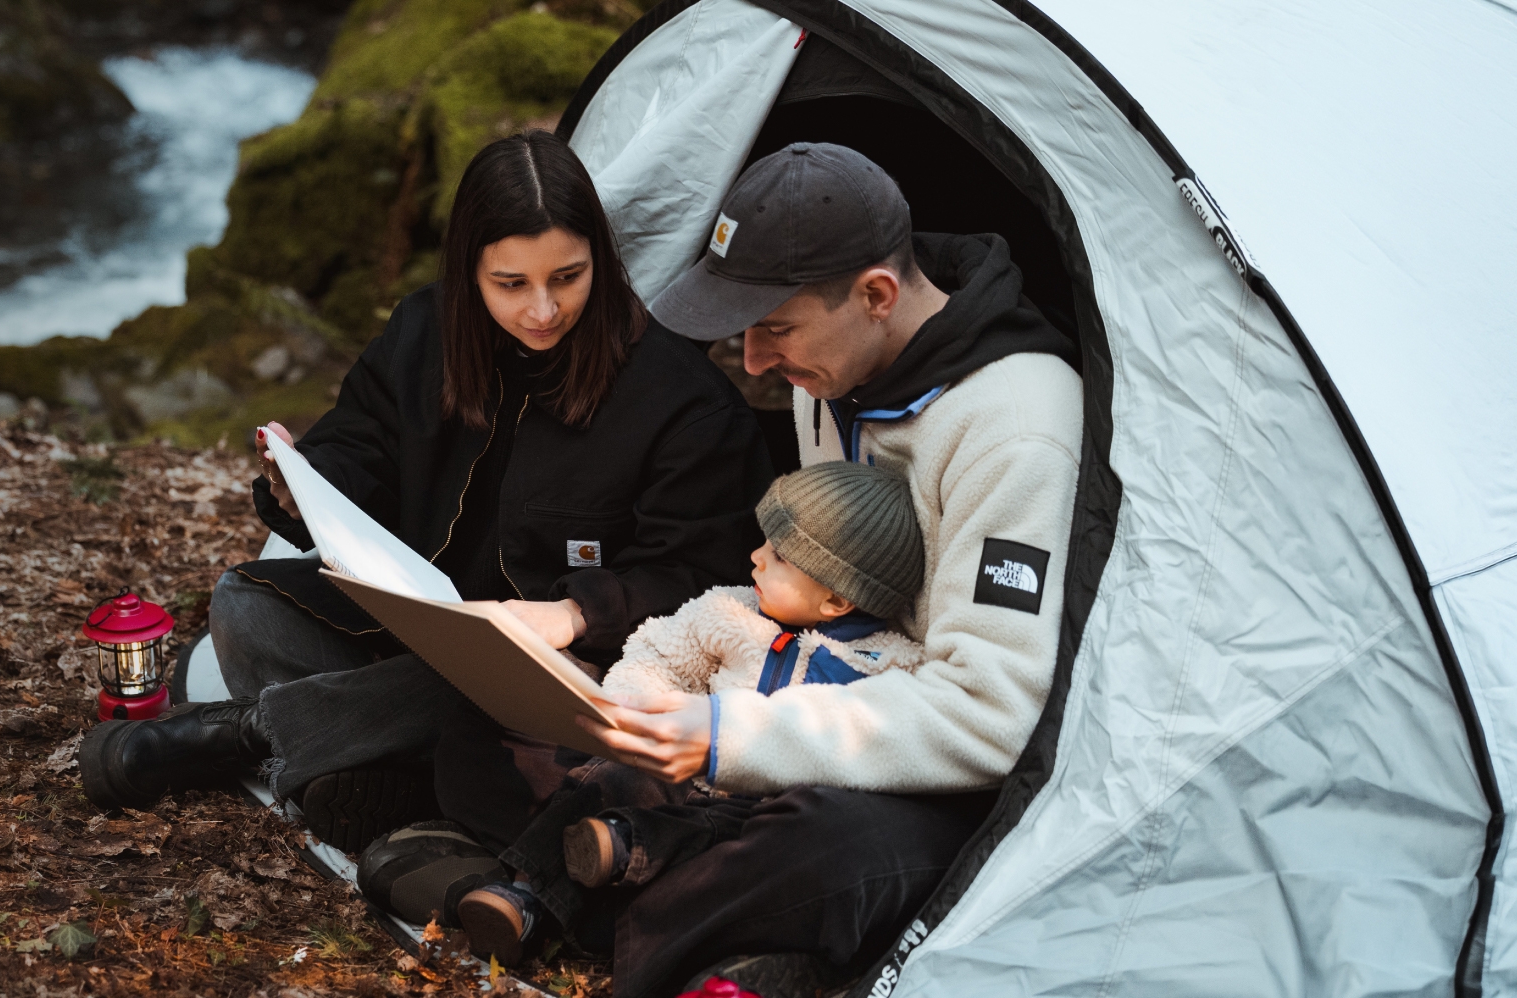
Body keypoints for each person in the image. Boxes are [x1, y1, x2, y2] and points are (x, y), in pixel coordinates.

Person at [378, 141, 1081, 997]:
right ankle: (704, 936)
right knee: (500, 726)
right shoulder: (834, 371)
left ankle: (561, 904)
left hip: (920, 775)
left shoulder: (1016, 430)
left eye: (775, 328)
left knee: (824, 847)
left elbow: (991, 715)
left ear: (876, 295)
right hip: (786, 688)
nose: (752, 362)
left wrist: (729, 738)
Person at [75, 130, 774, 851]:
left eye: (568, 277)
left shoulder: (682, 402)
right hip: (417, 628)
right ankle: (385, 771)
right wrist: (304, 482)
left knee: (494, 675)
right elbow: (361, 443)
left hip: (573, 663)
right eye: (511, 284)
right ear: (469, 270)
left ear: (600, 256)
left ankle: (248, 736)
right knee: (246, 602)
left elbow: (706, 579)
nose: (543, 310)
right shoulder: (424, 332)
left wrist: (573, 614)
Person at [359, 461, 929, 961]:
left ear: (836, 599)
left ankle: (534, 892)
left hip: (758, 807)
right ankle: (559, 879)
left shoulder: (886, 667)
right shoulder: (731, 612)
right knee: (615, 777)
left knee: (729, 838)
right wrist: (638, 707)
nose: (755, 557)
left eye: (778, 556)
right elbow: (660, 652)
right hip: (680, 769)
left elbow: (878, 744)